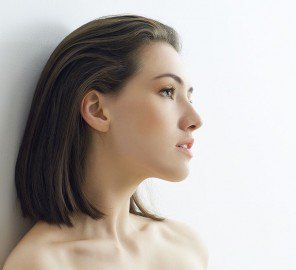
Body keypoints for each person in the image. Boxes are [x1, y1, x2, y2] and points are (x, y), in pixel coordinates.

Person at [3, 14, 208, 270]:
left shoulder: (185, 247)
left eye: (189, 97)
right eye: (167, 91)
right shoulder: (42, 263)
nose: (195, 119)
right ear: (97, 110)